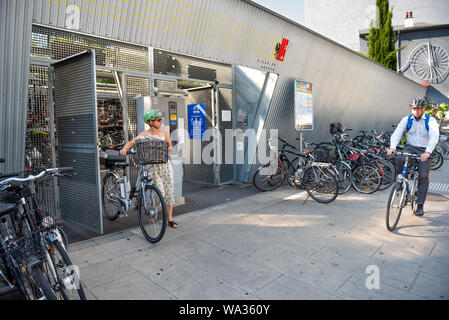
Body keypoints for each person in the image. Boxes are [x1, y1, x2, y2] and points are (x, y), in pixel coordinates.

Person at [120, 109, 178, 228]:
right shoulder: (144, 135)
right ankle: (151, 212)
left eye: (161, 120)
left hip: (166, 165)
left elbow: (170, 146)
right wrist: (124, 149)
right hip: (152, 167)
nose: (161, 122)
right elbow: (131, 142)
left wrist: (164, 149)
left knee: (169, 192)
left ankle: (170, 219)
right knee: (159, 192)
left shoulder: (164, 132)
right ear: (150, 122)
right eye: (158, 120)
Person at [387, 97, 439, 216]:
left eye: (418, 109)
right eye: (414, 109)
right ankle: (401, 182)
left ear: (423, 109)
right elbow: (397, 132)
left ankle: (420, 205)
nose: (416, 111)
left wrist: (428, 152)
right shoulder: (407, 119)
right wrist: (393, 147)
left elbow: (434, 136)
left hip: (425, 150)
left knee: (423, 176)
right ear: (411, 109)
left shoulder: (430, 121)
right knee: (400, 159)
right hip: (410, 147)